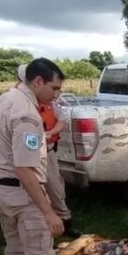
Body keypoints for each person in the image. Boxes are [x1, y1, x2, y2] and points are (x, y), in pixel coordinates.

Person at [0, 58, 80, 255]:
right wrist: (48, 211)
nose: (56, 94)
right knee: (40, 252)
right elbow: (25, 169)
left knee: (14, 243)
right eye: (54, 88)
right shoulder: (27, 115)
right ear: (37, 81)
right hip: (22, 192)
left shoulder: (5, 99)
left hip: (1, 187)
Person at [38, 93, 82, 238]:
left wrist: (51, 132)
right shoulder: (21, 105)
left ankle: (65, 223)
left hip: (48, 152)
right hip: (30, 155)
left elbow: (62, 120)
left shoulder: (50, 103)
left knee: (55, 188)